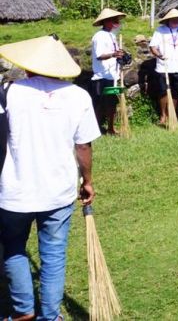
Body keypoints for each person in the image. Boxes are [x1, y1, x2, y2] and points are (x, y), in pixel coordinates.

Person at [0, 35, 100, 321]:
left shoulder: (8, 92)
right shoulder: (78, 96)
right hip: (58, 190)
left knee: (15, 248)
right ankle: (51, 315)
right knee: (54, 255)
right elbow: (83, 146)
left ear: (29, 66)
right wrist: (88, 180)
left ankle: (22, 313)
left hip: (14, 190)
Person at [149, 8, 178, 127]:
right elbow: (152, 47)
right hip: (163, 67)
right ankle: (163, 115)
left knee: (176, 93)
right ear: (168, 20)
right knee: (163, 92)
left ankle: (172, 114)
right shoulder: (160, 31)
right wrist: (158, 55)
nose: (176, 20)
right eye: (173, 19)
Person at [89, 7, 126, 135]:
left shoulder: (112, 35)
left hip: (112, 76)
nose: (116, 21)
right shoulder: (99, 36)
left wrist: (121, 56)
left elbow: (114, 53)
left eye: (117, 19)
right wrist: (113, 55)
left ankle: (110, 129)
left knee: (111, 104)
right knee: (99, 104)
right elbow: (99, 55)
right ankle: (94, 130)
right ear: (106, 21)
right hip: (101, 76)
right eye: (113, 19)